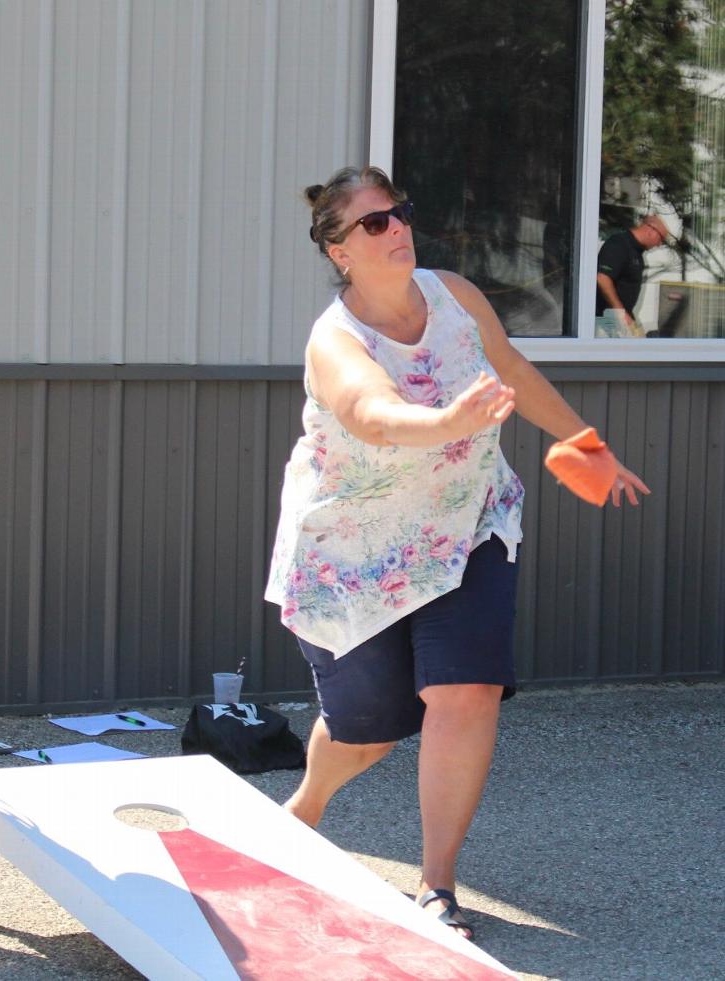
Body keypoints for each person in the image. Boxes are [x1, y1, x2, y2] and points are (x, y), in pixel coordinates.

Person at [265, 166, 649, 940]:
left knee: (464, 691)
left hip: (469, 523)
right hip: (359, 553)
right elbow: (373, 415)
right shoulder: (335, 339)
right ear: (339, 250)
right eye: (373, 223)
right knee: (368, 730)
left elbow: (510, 369)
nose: (397, 228)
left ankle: (437, 883)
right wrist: (446, 420)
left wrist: (584, 442)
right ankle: (306, 807)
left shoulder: (453, 295)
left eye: (399, 212)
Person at [595, 214, 669, 335]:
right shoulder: (619, 243)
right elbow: (602, 278)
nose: (659, 244)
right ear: (651, 229)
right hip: (604, 322)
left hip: (618, 324)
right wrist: (621, 314)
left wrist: (634, 328)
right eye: (661, 239)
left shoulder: (637, 254)